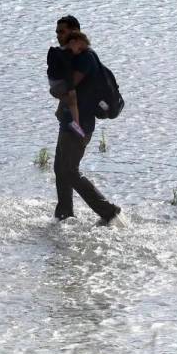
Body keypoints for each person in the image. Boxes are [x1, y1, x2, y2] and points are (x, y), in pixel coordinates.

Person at [50, 16, 125, 227]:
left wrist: (55, 90)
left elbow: (68, 87)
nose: (58, 36)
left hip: (79, 125)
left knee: (70, 170)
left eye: (62, 32)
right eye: (56, 32)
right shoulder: (73, 56)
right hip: (68, 122)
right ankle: (64, 213)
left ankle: (108, 210)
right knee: (59, 167)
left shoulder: (85, 59)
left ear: (75, 32)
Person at [47, 35, 86, 139]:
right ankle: (76, 123)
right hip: (58, 84)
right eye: (79, 48)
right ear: (72, 42)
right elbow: (67, 74)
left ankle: (62, 114)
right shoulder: (67, 56)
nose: (79, 52)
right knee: (73, 98)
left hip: (54, 82)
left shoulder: (55, 51)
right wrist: (71, 88)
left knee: (68, 99)